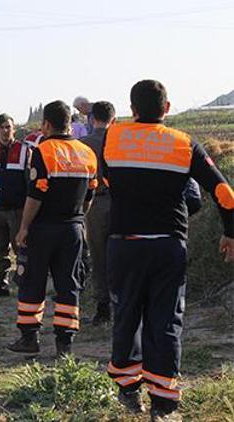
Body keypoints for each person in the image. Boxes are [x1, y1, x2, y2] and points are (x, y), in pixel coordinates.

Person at [103, 80, 234, 420]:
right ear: (167, 108)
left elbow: (101, 182)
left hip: (124, 244)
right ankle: (163, 404)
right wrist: (230, 233)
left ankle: (128, 390)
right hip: (167, 246)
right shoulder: (184, 144)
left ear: (132, 109)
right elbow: (224, 194)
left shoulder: (112, 138)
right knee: (165, 320)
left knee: (127, 316)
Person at [8, 100, 98, 357]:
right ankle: (64, 345)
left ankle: (29, 338)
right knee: (68, 283)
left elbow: (35, 196)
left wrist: (24, 227)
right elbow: (90, 195)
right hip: (73, 227)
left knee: (32, 281)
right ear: (70, 122)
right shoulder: (87, 153)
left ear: (46, 124)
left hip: (43, 228)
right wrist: (79, 220)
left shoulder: (44, 150)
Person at [79, 101, 116, 325]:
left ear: (92, 119)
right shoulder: (121, 142)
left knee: (99, 256)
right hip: (122, 203)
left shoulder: (83, 145)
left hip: (95, 202)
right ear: (114, 119)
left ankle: (103, 307)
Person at [0, 113, 31, 296]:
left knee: (22, 247)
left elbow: (30, 184)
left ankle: (25, 282)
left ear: (14, 129)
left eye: (8, 127)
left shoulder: (25, 151)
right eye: (2, 127)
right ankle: (1, 281)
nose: (5, 131)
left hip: (18, 210)